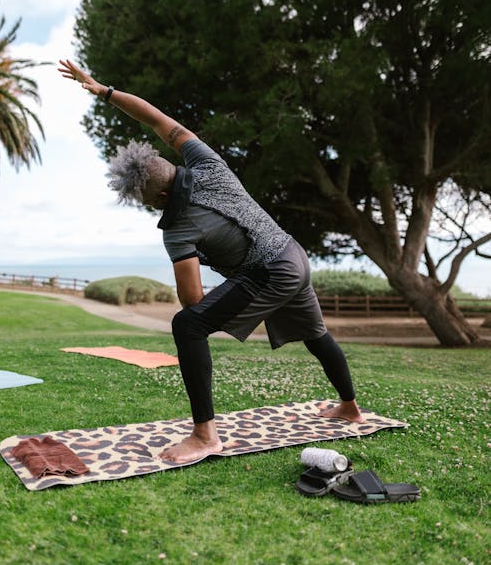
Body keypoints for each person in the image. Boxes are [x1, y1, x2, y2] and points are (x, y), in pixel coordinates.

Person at [59, 58, 363, 464]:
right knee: (315, 333)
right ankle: (350, 407)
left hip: (269, 271)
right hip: (293, 254)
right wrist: (105, 91)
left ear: (162, 198)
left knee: (187, 326)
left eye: (148, 203)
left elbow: (192, 300)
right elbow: (156, 119)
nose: (150, 209)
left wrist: (198, 263)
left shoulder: (176, 229)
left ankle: (205, 435)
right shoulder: (207, 162)